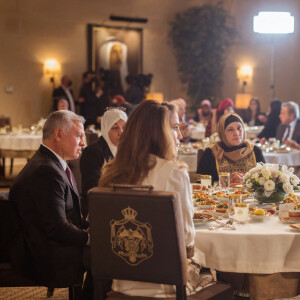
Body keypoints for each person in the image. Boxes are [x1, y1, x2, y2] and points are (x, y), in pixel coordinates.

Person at [99, 100, 214, 297]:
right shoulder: (175, 172)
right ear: (158, 132)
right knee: (216, 269)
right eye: (175, 128)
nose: (179, 136)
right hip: (164, 288)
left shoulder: (111, 172)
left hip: (120, 285)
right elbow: (186, 242)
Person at [9, 111, 88, 288]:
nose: (83, 143)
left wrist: (89, 227)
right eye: (79, 136)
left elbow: (69, 213)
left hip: (47, 242)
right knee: (102, 260)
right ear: (59, 134)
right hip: (44, 254)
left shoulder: (53, 164)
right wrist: (89, 238)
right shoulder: (47, 171)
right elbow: (57, 228)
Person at [80, 108, 128, 217]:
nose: (121, 132)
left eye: (124, 127)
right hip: (99, 210)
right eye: (115, 128)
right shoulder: (93, 152)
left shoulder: (128, 151)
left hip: (123, 205)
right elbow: (93, 190)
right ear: (106, 129)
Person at [197, 113, 265, 184]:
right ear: (222, 133)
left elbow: (265, 180)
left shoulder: (255, 151)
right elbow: (200, 183)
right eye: (230, 129)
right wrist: (225, 182)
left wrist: (246, 180)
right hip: (218, 195)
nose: (236, 133)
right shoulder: (211, 153)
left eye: (239, 128)